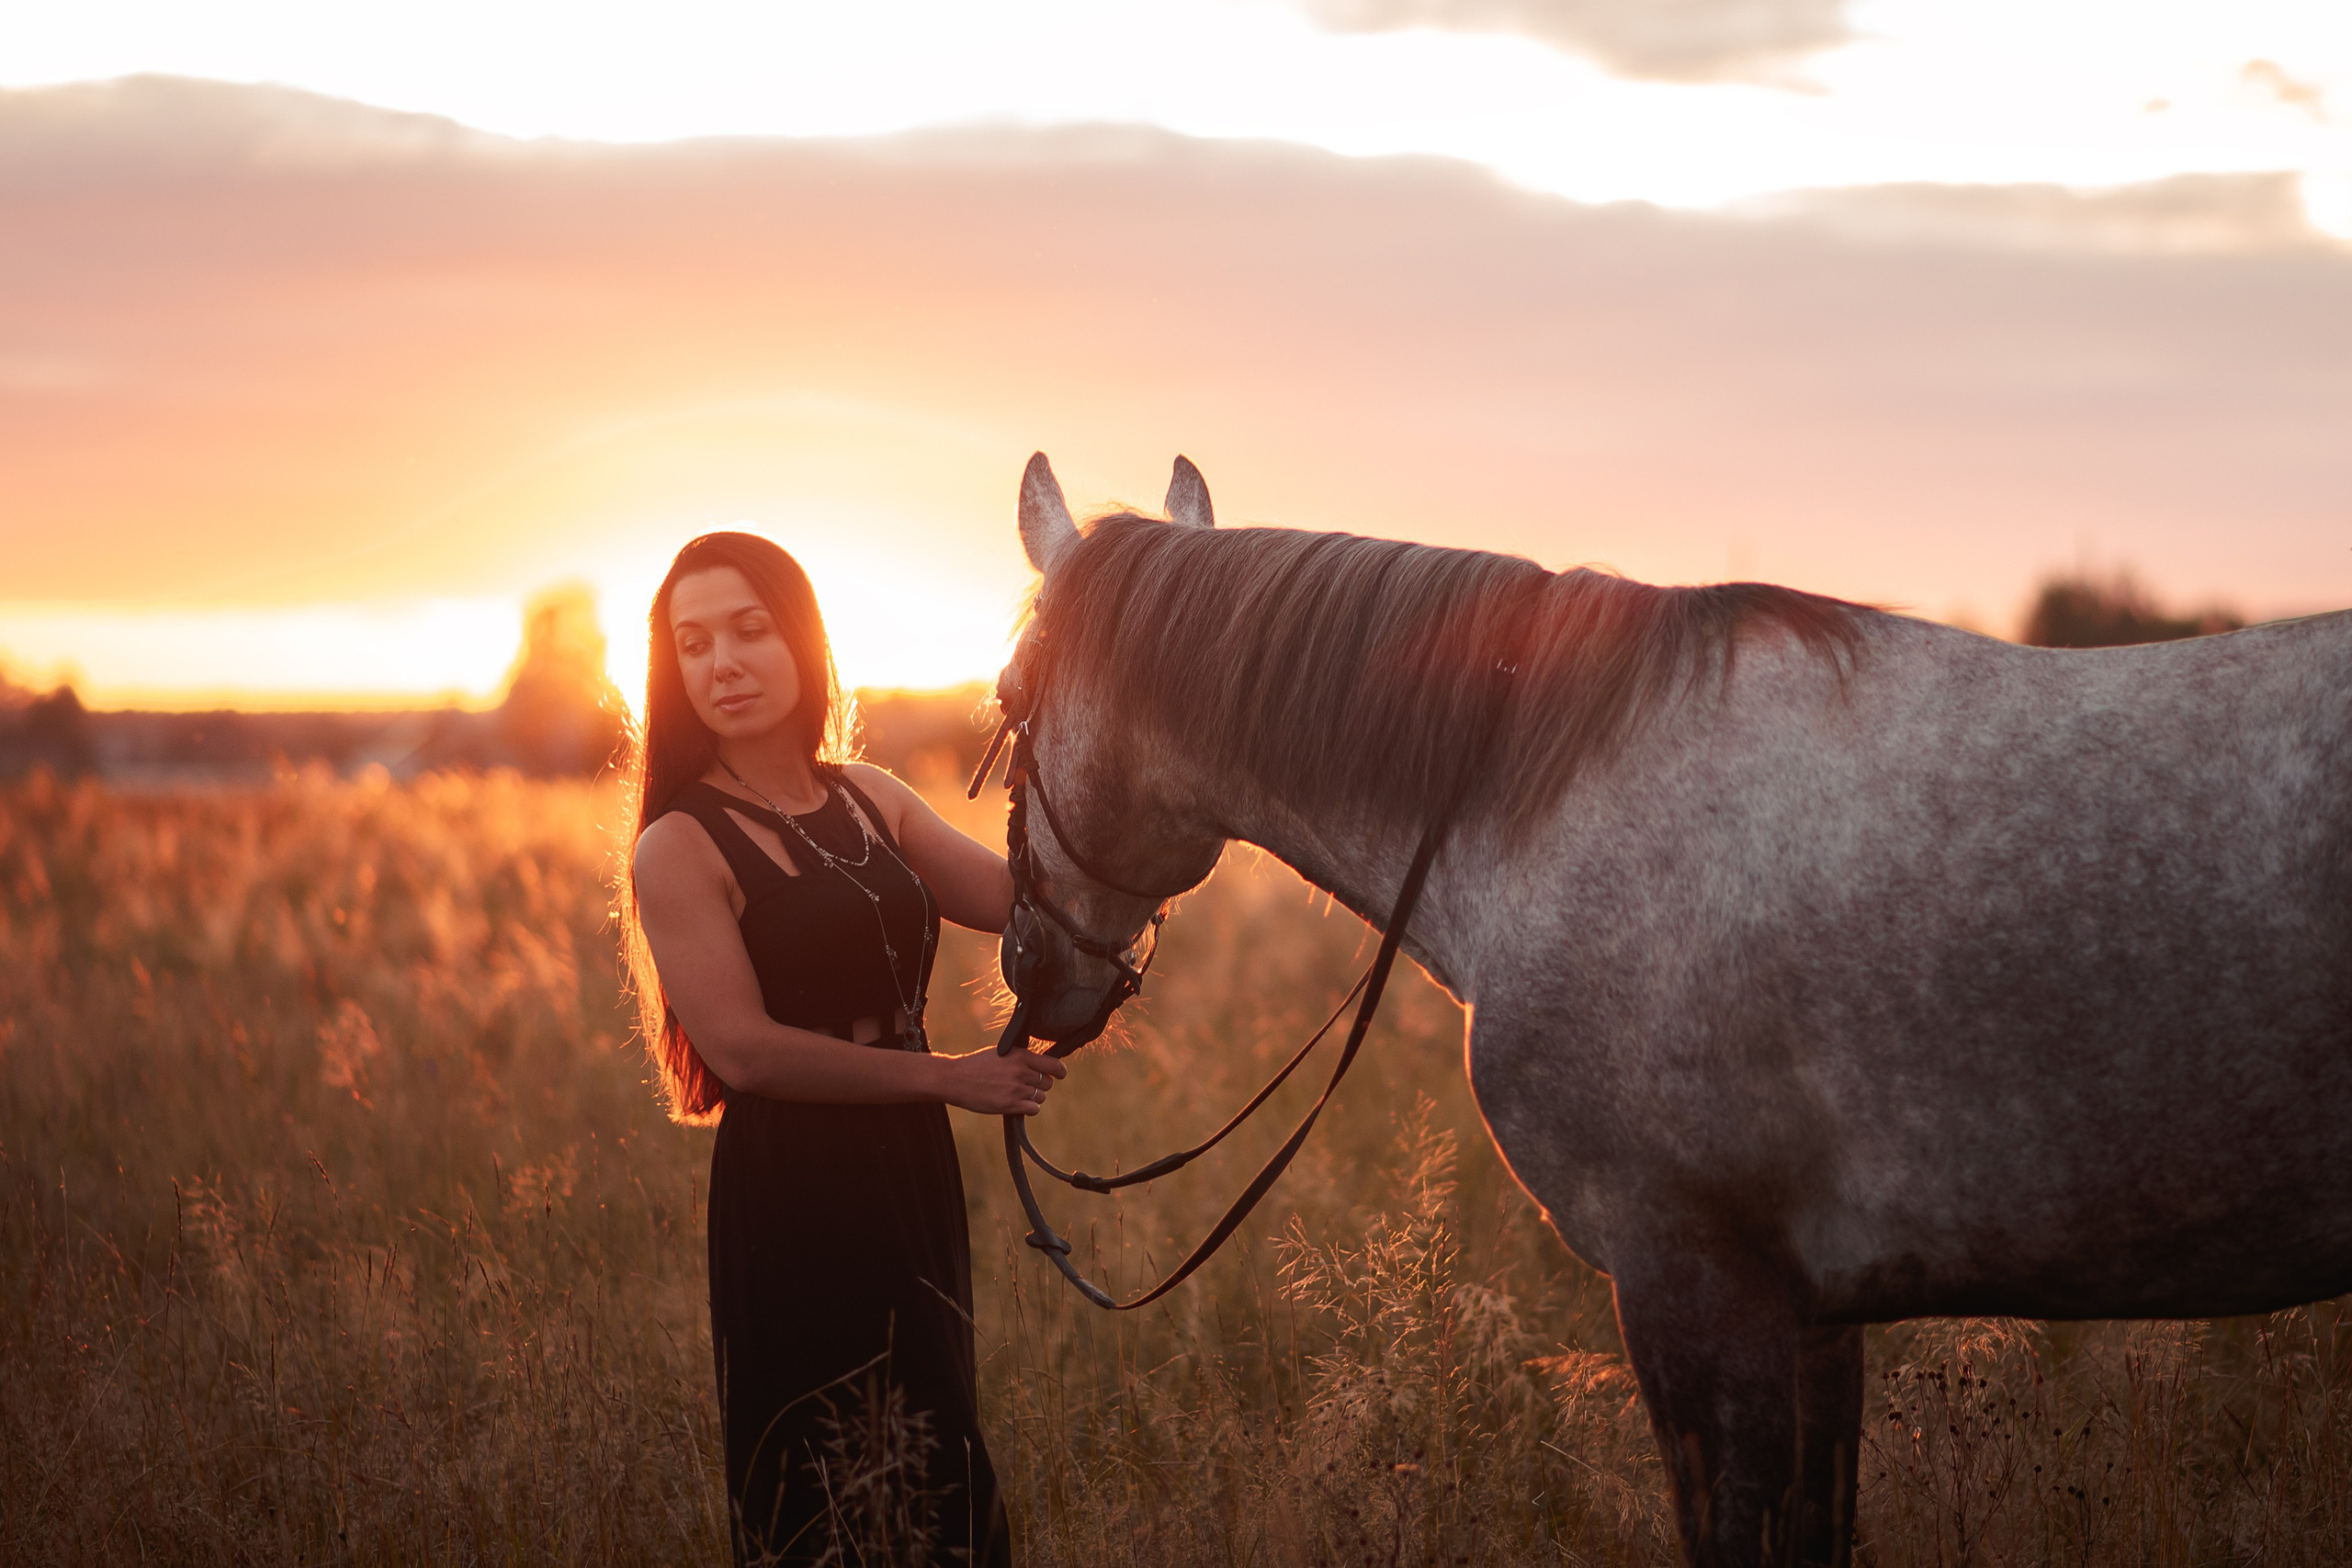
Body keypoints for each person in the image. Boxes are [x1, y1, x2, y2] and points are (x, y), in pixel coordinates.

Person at [620, 531, 1062, 1566]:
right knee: (821, 1485)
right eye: (694, 644)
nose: (722, 663)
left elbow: (1016, 900)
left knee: (939, 1456)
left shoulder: (870, 794)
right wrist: (948, 1078)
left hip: (907, 1165)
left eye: (748, 630)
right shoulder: (677, 844)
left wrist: (1088, 762)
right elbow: (747, 1053)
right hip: (793, 1180)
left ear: (801, 638)